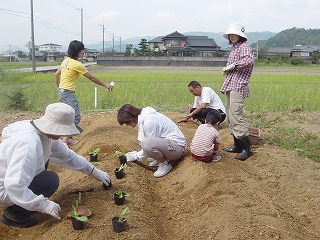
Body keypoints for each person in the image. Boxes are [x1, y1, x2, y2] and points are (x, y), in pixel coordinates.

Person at [0, 103, 111, 228]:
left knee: (46, 165)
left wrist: (93, 171)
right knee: (50, 180)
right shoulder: (29, 144)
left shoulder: (44, 134)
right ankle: (15, 216)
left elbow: (67, 156)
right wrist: (43, 205)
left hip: (10, 179)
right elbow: (14, 185)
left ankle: (22, 205)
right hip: (4, 189)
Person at [55, 40, 113, 146]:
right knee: (75, 117)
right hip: (68, 93)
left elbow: (56, 75)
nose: (83, 52)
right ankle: (64, 142)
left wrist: (58, 88)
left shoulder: (65, 61)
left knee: (68, 115)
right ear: (77, 51)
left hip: (62, 92)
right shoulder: (77, 64)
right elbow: (91, 77)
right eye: (82, 50)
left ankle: (69, 138)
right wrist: (105, 85)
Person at [117, 104, 186, 178]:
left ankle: (165, 164)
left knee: (146, 143)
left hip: (177, 149)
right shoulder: (145, 117)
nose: (127, 125)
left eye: (126, 123)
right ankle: (160, 159)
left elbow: (150, 144)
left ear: (131, 118)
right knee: (147, 143)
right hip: (171, 146)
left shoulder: (149, 121)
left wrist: (136, 156)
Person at [220, 22, 254, 161]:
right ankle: (237, 146)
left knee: (235, 115)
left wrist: (233, 66)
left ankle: (247, 149)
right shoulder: (235, 48)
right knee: (229, 115)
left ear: (240, 36)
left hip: (238, 86)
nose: (232, 36)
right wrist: (229, 69)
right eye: (230, 35)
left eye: (234, 34)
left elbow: (249, 61)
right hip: (231, 84)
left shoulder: (244, 47)